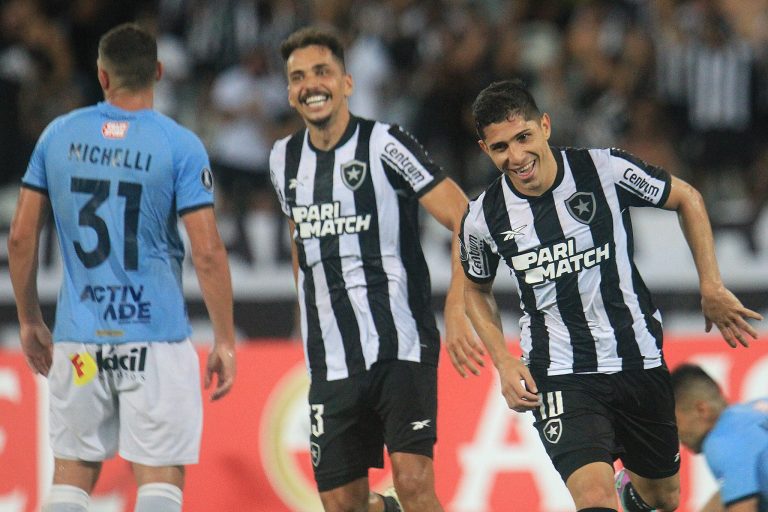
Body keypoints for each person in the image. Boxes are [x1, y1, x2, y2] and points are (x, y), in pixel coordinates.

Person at [459, 79, 763, 512]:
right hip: (560, 371)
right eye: (501, 146)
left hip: (637, 357)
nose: (517, 156)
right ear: (485, 150)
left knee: (665, 498)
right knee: (594, 498)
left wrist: (710, 285)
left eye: (523, 137)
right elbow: (474, 289)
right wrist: (504, 361)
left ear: (545, 126)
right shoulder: (482, 218)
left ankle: (632, 488)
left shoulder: (604, 170)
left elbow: (688, 199)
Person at [7, 23, 236, 512]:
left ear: (102, 76)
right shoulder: (178, 144)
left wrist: (29, 321)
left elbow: (22, 237)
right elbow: (209, 252)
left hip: (80, 347)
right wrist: (225, 340)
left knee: (71, 475)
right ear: (157, 71)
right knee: (159, 479)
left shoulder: (58, 136)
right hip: (154, 344)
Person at [269, 27, 483, 512]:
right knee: (343, 504)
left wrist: (457, 302)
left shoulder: (385, 144)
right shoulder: (283, 160)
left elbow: (465, 215)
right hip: (331, 358)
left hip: (401, 343)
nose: (311, 84)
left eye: (322, 71)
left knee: (413, 482)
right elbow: (298, 239)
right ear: (288, 92)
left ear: (346, 83)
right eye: (298, 76)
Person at [671, 364, 768, 512]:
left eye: (674, 421)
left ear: (702, 410)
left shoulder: (721, 441)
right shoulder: (753, 411)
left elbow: (743, 508)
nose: (674, 434)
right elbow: (729, 495)